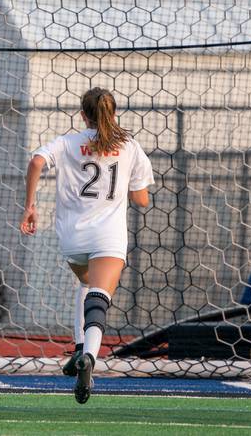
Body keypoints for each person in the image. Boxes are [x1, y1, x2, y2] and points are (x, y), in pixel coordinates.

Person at [19, 87, 153, 404]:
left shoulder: (68, 143)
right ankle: (90, 357)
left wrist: (30, 206)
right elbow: (141, 199)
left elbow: (36, 161)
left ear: (83, 115)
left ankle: (79, 346)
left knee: (87, 283)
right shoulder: (129, 145)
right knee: (99, 296)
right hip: (108, 236)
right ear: (114, 113)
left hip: (72, 238)